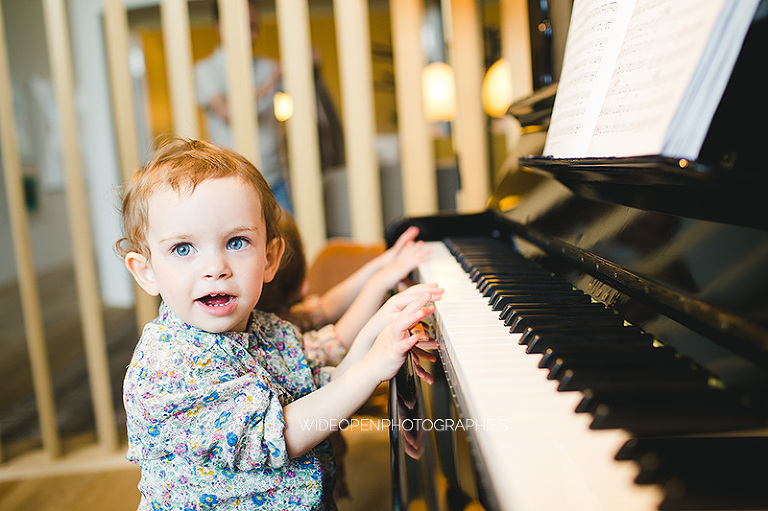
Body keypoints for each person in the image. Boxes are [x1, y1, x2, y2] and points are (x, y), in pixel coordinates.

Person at [115, 137, 442, 509]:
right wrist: (370, 368)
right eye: (183, 249)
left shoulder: (268, 329)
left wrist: (382, 327)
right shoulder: (165, 369)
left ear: (270, 258)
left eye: (236, 242)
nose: (215, 269)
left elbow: (321, 388)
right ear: (146, 271)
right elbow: (280, 435)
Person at [258, 212, 431, 364]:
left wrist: (380, 264)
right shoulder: (266, 347)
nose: (306, 286)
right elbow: (334, 344)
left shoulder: (267, 316)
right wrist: (379, 281)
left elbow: (324, 307)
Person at [194, 0, 293, 213]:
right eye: (247, 27)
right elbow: (226, 111)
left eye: (255, 27)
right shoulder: (206, 71)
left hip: (275, 180)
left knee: (290, 244)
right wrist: (269, 84)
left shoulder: (267, 66)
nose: (254, 35)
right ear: (220, 27)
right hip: (231, 184)